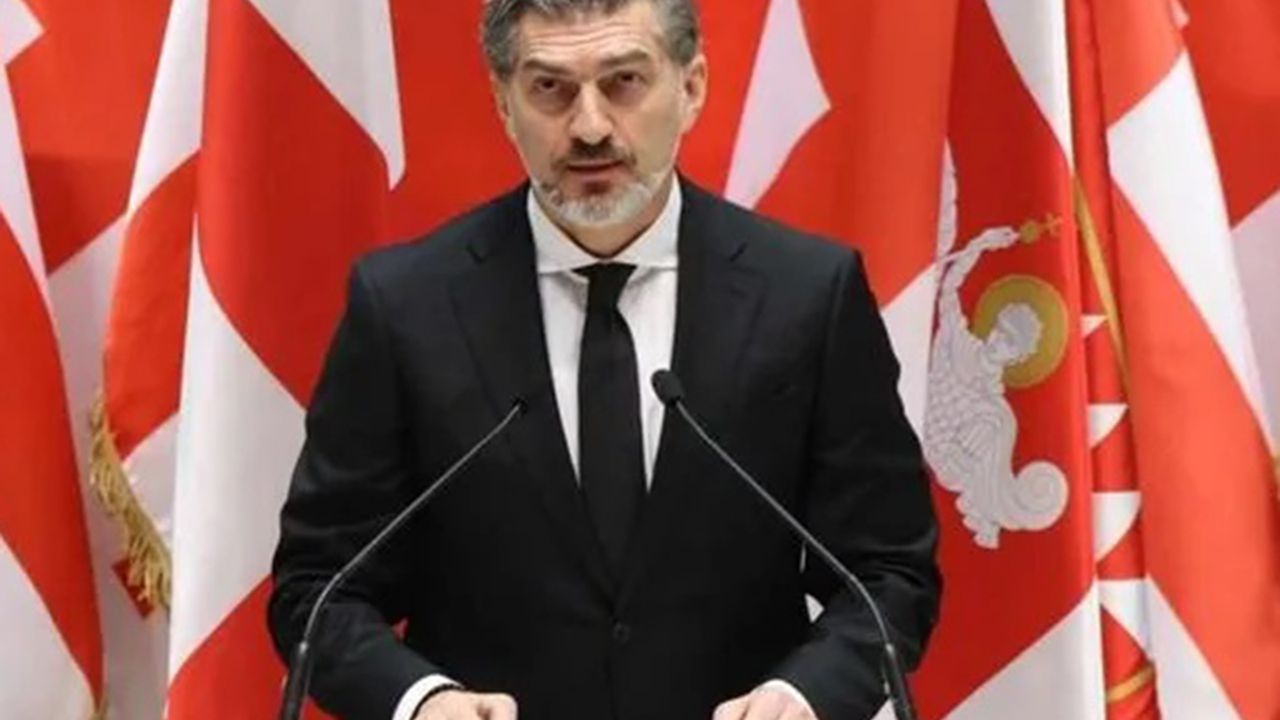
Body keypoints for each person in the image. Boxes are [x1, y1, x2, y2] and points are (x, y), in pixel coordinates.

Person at [268, 1, 941, 718]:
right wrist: (421, 701)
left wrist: (803, 696)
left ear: (691, 88)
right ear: (503, 103)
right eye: (550, 89)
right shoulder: (406, 306)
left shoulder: (807, 295)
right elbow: (319, 588)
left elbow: (889, 571)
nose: (590, 127)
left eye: (624, 82)